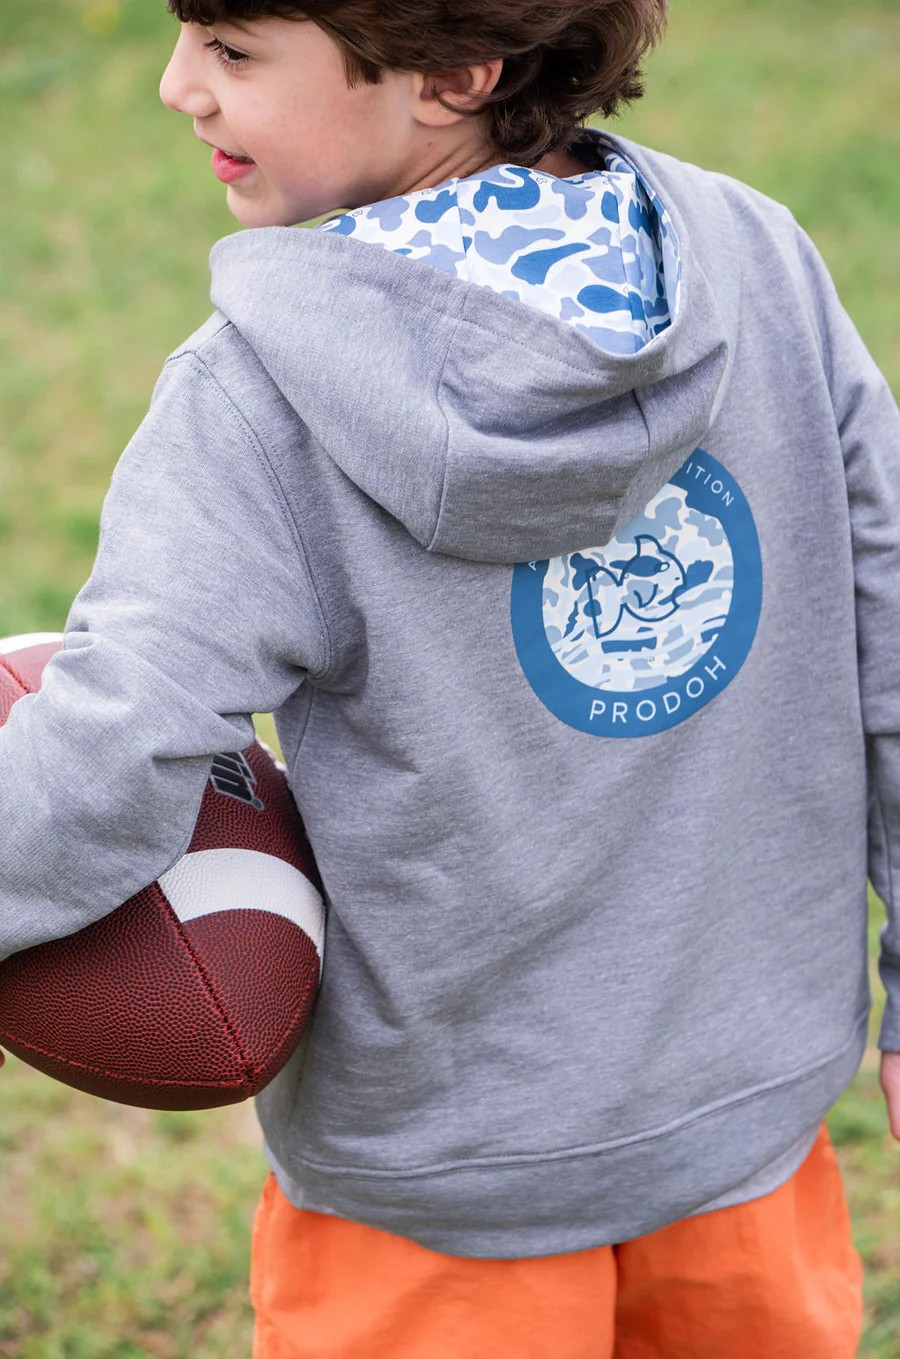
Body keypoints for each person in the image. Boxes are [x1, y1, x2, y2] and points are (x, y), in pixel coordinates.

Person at [2, 0, 899, 1353]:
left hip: (432, 1187)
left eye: (235, 50)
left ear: (455, 75)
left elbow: (109, 764)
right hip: (751, 1134)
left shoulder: (253, 401)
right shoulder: (753, 259)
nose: (180, 86)